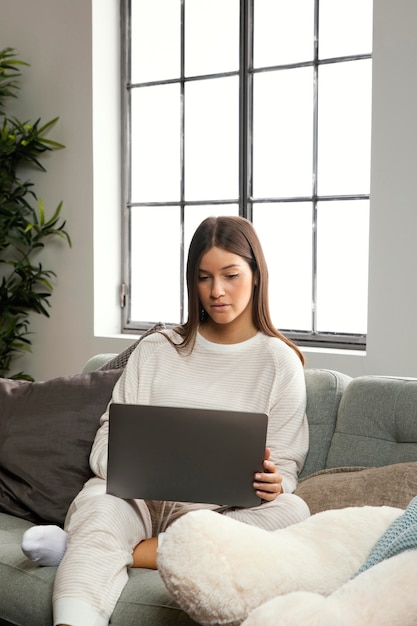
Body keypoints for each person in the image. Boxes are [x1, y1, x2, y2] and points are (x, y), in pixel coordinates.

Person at [22, 215, 310, 626]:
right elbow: (107, 438)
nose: (216, 291)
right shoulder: (158, 349)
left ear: (256, 275)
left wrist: (275, 481)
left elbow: (285, 467)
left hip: (216, 514)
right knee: (99, 505)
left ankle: (101, 547)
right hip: (133, 499)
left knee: (293, 512)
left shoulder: (280, 362)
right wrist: (121, 466)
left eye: (230, 275)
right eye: (203, 277)